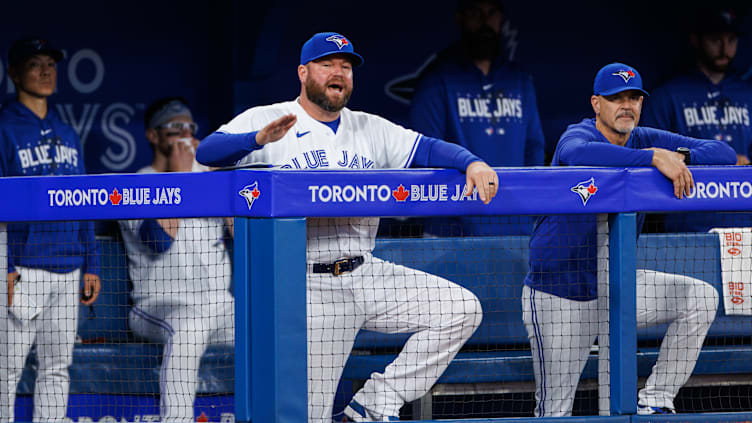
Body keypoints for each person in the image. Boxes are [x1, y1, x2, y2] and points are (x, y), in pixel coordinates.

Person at [197, 32, 498, 422]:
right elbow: (207, 152)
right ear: (304, 73)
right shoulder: (268, 118)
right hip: (308, 284)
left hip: (366, 271)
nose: (339, 72)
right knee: (310, 415)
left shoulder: (370, 128)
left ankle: (374, 402)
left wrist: (472, 162)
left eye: (346, 65)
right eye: (327, 64)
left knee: (460, 308)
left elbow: (427, 149)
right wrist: (255, 140)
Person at [522, 63, 735, 417]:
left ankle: (656, 399)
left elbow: (723, 154)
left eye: (634, 97)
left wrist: (678, 156)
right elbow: (577, 155)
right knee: (554, 413)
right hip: (559, 295)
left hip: (614, 287)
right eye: (615, 98)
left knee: (700, 296)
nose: (627, 105)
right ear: (596, 103)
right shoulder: (578, 135)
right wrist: (652, 157)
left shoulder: (643, 136)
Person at [0, 37, 101, 422]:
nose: (45, 71)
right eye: (35, 64)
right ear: (13, 73)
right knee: (6, 371)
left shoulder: (67, 131)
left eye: (51, 64)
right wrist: (5, 266)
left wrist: (91, 262)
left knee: (57, 369)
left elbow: (85, 199)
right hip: (23, 270)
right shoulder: (5, 128)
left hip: (69, 267)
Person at [118, 97, 234, 422]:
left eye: (190, 128)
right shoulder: (138, 183)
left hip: (220, 307)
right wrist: (182, 178)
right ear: (153, 136)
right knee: (190, 327)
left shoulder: (206, 178)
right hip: (158, 305)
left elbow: (243, 238)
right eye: (175, 128)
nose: (186, 135)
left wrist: (221, 183)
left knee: (270, 325)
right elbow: (157, 241)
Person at [409, 0, 544, 236]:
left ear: (501, 18)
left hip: (516, 228)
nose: (485, 22)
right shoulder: (437, 80)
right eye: (476, 13)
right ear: (460, 18)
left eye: (492, 13)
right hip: (452, 234)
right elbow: (427, 154)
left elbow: (534, 149)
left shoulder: (520, 80)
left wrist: (530, 210)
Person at [641, 7, 752, 231]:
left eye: (731, 40)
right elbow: (647, 155)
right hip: (688, 224)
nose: (724, 48)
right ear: (696, 40)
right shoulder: (669, 94)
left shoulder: (748, 93)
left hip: (743, 222)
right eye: (715, 39)